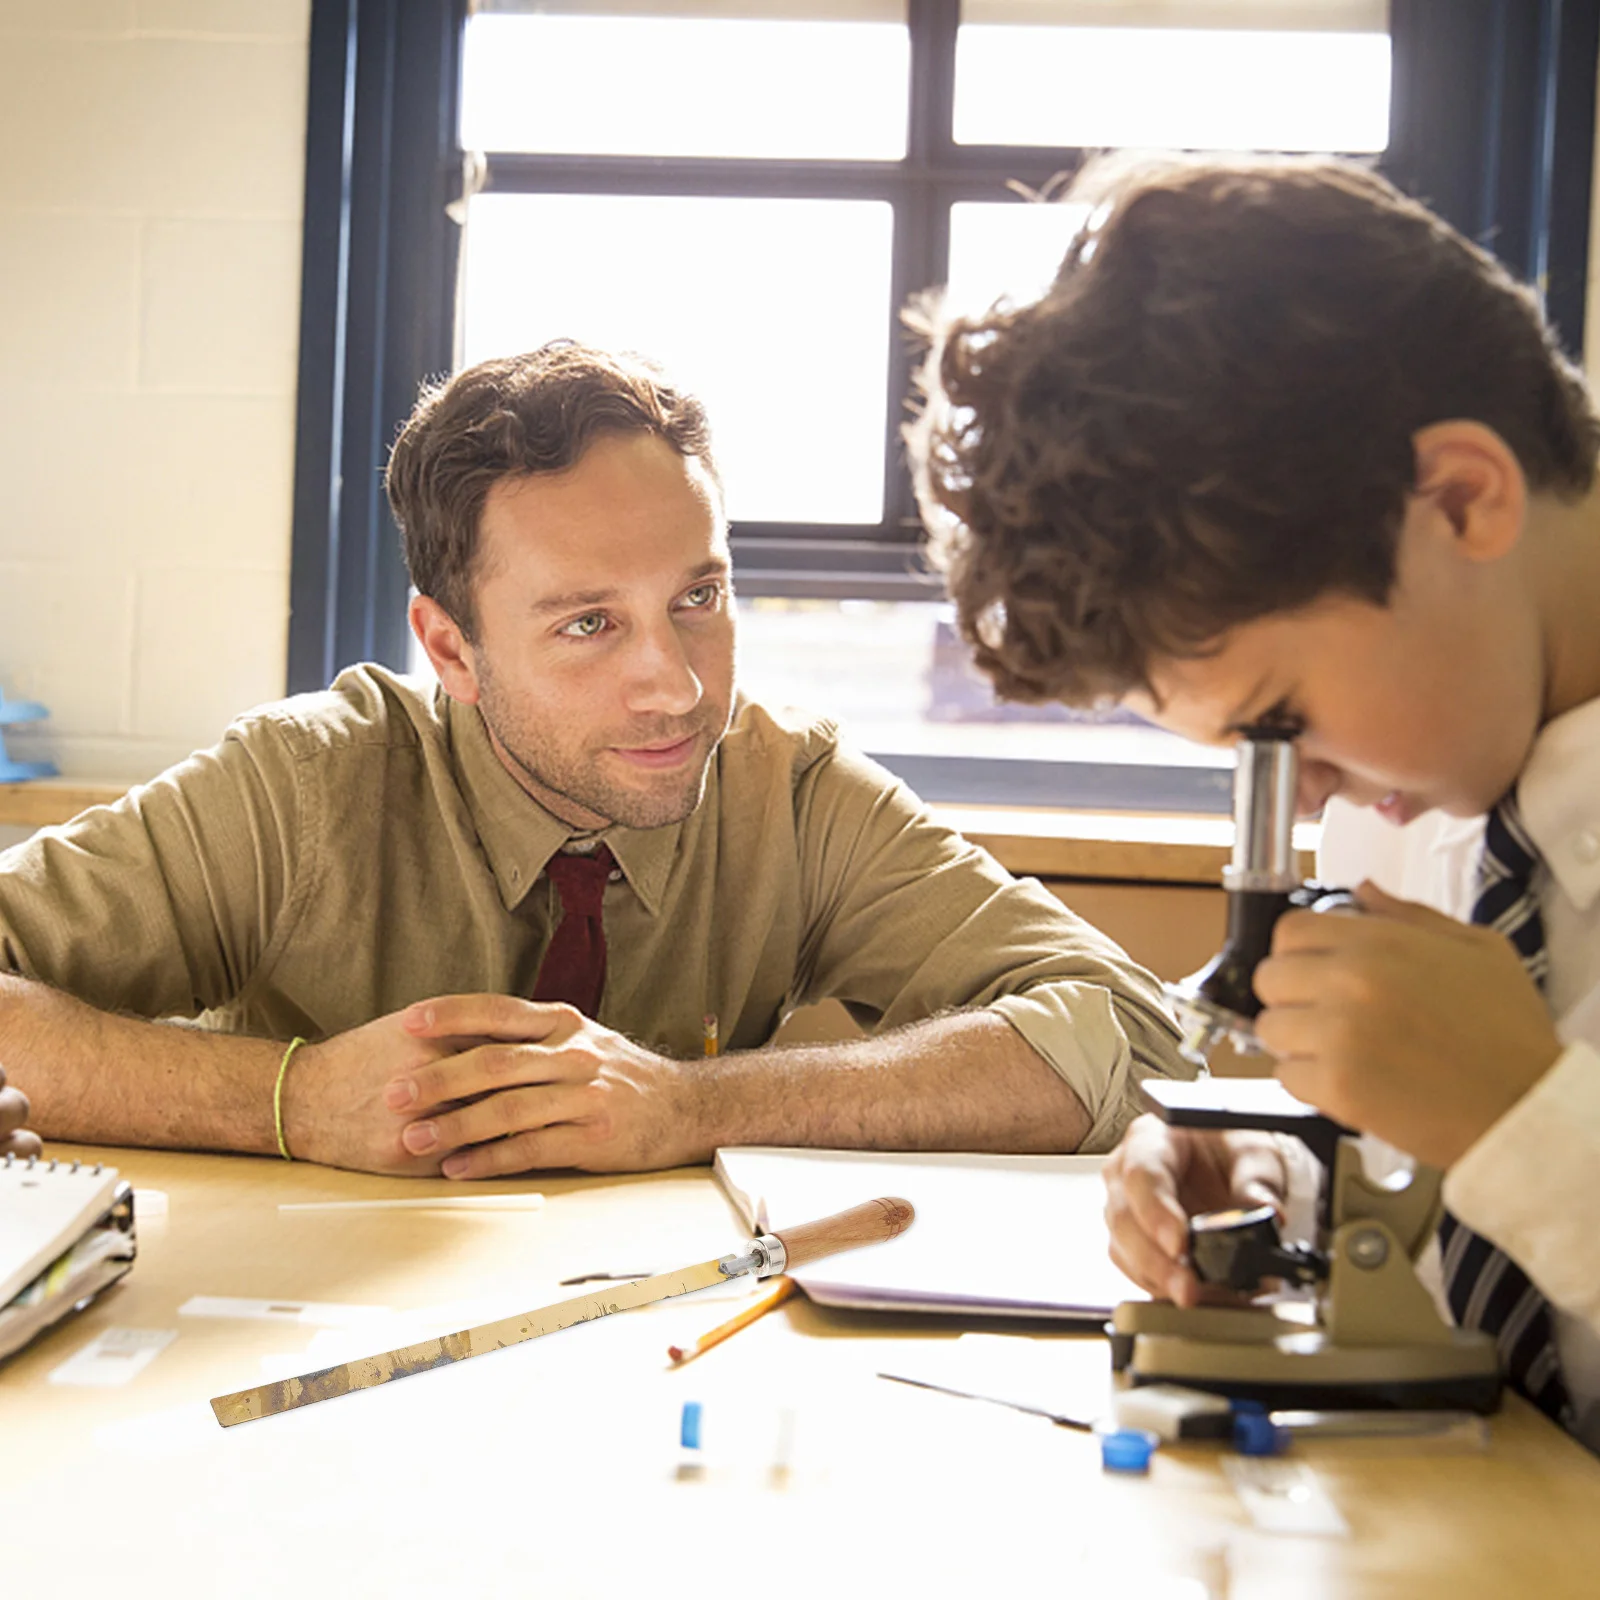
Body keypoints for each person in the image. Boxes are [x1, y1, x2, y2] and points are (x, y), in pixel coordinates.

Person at [1, 341, 1183, 1180]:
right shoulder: (303, 785)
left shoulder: (791, 791)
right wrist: (288, 1099)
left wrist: (688, 1105)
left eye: (699, 597)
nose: (676, 684)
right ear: (450, 647)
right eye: (587, 623)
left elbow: (1134, 1034)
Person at [905, 153, 1600, 1448]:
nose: (1306, 794)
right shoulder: (1429, 777)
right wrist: (1286, 1185)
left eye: (1287, 722)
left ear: (1459, 499)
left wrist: (1526, 1123)